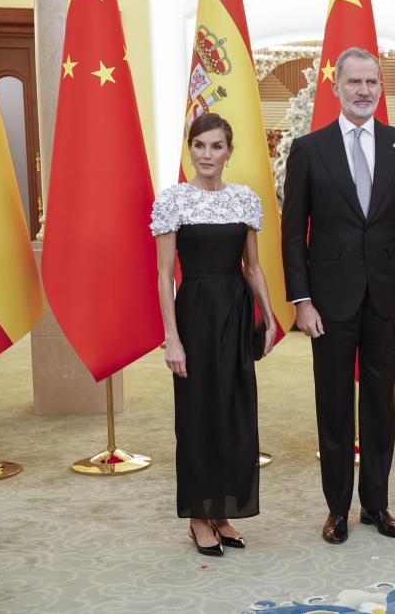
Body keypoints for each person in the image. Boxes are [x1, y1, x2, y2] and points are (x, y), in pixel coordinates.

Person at [281, 47, 395, 544]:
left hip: (388, 298)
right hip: (328, 301)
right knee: (335, 405)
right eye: (355, 82)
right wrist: (301, 300)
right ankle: (338, 509)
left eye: (372, 83)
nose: (364, 91)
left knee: (380, 405)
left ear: (379, 89)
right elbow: (291, 231)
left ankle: (377, 506)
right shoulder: (308, 149)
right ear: (337, 87)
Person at [151, 113, 278, 556]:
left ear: (229, 151)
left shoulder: (244, 199)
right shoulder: (173, 201)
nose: (207, 154)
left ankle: (222, 511)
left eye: (216, 146)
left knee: (235, 413)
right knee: (198, 416)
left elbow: (254, 267)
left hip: (237, 315)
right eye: (200, 145)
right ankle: (196, 517)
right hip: (195, 316)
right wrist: (172, 336)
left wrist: (270, 315)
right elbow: (165, 275)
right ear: (191, 149)